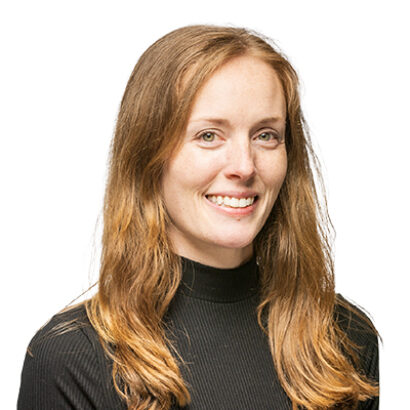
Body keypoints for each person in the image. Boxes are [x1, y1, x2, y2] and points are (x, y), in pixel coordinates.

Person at [18, 25, 379, 409]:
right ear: (148, 156)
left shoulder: (345, 339)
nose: (244, 166)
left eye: (266, 135)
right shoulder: (73, 357)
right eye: (209, 135)